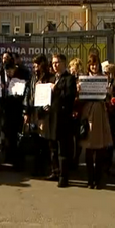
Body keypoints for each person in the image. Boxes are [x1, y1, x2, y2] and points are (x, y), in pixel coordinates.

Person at [80, 54, 113, 189]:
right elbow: (80, 99)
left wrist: (108, 92)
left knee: (100, 148)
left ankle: (98, 179)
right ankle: (90, 179)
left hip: (99, 112)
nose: (94, 66)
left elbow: (108, 99)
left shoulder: (104, 79)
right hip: (88, 112)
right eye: (91, 64)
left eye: (96, 64)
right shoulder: (84, 79)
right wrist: (79, 90)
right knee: (88, 147)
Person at [45, 54, 77, 188]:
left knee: (62, 149)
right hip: (52, 118)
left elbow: (69, 97)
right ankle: (55, 171)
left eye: (57, 62)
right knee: (52, 147)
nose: (55, 65)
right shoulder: (52, 78)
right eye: (53, 63)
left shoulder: (69, 79)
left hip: (63, 119)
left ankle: (64, 177)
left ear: (64, 63)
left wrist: (56, 89)